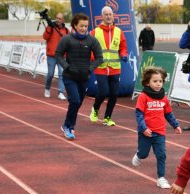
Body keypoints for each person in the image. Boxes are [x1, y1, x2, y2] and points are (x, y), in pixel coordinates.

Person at [132, 66, 182, 189]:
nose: (158, 84)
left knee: (161, 155)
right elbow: (139, 114)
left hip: (160, 132)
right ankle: (139, 155)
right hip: (146, 133)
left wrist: (176, 125)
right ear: (147, 82)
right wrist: (143, 128)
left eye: (160, 81)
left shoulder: (163, 98)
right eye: (155, 81)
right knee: (144, 154)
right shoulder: (143, 96)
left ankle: (161, 178)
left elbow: (168, 114)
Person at [55, 13, 103, 141]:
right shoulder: (67, 39)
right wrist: (66, 66)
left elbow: (99, 57)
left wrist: (90, 69)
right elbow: (58, 54)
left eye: (86, 26)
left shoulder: (91, 40)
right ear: (75, 25)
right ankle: (70, 127)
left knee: (78, 103)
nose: (83, 28)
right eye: (81, 26)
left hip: (84, 77)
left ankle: (66, 124)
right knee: (75, 101)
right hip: (69, 76)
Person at [89, 6, 129, 127]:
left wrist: (123, 55)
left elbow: (123, 47)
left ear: (113, 16)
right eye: (106, 14)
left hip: (114, 68)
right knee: (102, 92)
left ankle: (107, 117)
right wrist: (93, 58)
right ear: (102, 16)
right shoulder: (95, 32)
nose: (108, 16)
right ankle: (95, 109)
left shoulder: (119, 32)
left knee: (114, 94)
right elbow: (89, 47)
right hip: (100, 67)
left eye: (110, 14)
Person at [42, 12, 69, 100]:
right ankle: (47, 88)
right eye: (57, 18)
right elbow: (45, 37)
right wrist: (49, 27)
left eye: (59, 18)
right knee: (50, 74)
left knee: (62, 74)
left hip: (61, 56)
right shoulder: (51, 27)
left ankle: (60, 92)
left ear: (63, 20)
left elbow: (68, 42)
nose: (57, 20)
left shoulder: (66, 30)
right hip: (51, 55)